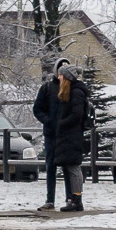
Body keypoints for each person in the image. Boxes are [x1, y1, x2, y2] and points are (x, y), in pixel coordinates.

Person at [32, 57, 70, 211]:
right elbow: (37, 109)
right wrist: (48, 121)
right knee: (51, 167)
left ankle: (70, 198)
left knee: (68, 168)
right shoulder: (47, 88)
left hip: (66, 133)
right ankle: (50, 199)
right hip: (51, 134)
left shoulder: (72, 88)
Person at [52, 64, 91, 212]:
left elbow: (77, 115)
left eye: (61, 75)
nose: (59, 77)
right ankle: (73, 199)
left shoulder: (76, 92)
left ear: (67, 77)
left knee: (73, 167)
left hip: (72, 135)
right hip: (68, 135)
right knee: (69, 166)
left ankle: (76, 199)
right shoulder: (72, 92)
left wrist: (61, 123)